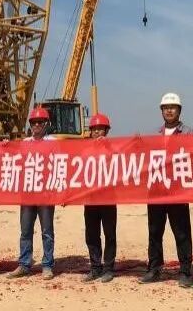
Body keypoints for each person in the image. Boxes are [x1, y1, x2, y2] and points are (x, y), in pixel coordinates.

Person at [140, 92, 193, 289]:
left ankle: (185, 272)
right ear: (161, 111)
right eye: (165, 108)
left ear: (179, 110)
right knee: (155, 231)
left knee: (182, 232)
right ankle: (154, 268)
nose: (169, 111)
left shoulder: (188, 133)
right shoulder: (154, 135)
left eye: (172, 107)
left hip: (178, 191)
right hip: (157, 190)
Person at [7, 106, 56, 280]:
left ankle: (47, 265)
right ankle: (24, 264)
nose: (36, 125)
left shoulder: (53, 143)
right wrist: (4, 146)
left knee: (47, 232)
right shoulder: (25, 143)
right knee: (25, 231)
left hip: (46, 195)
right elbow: (12, 160)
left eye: (40, 122)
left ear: (46, 124)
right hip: (28, 194)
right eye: (34, 122)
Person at [82, 113, 117, 283]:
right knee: (92, 234)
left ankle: (108, 268)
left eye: (100, 129)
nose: (97, 132)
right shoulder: (85, 150)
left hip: (108, 198)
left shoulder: (113, 149)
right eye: (94, 129)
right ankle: (95, 267)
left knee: (109, 234)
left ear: (106, 131)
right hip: (90, 198)